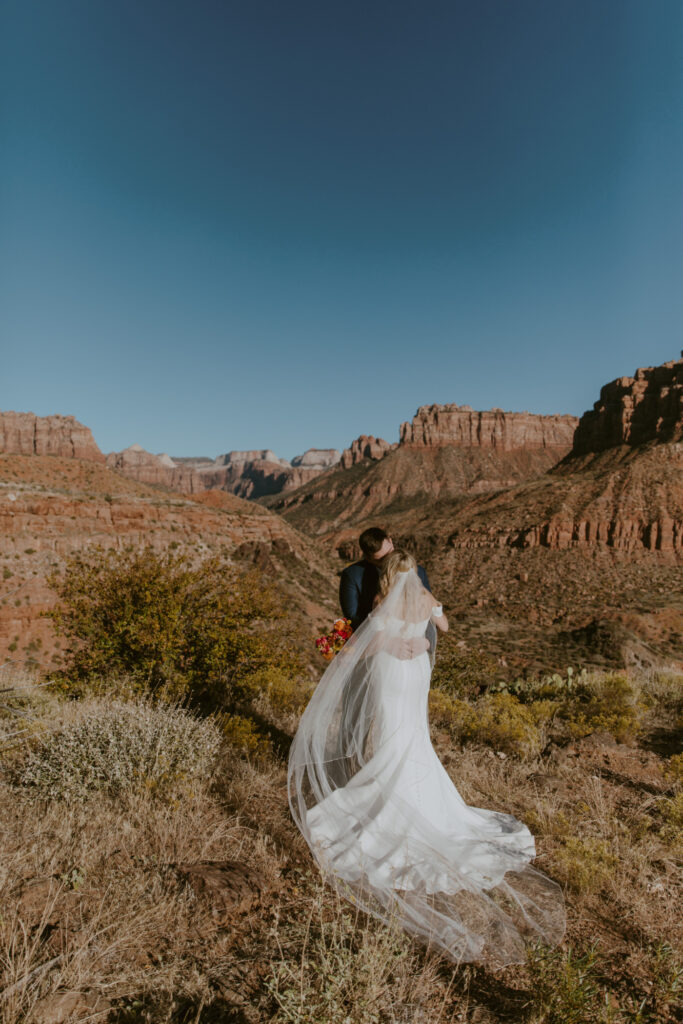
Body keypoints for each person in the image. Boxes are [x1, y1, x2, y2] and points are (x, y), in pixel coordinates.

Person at [288, 550, 566, 968]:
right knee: (413, 736)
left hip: (390, 673)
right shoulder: (425, 599)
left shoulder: (384, 603)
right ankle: (413, 795)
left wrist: (391, 641)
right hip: (415, 673)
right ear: (413, 574)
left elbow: (370, 640)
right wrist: (421, 638)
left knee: (391, 737)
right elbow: (444, 626)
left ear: (389, 574)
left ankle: (387, 796)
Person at [339, 526, 431, 630]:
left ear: (390, 541)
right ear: (368, 558)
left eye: (390, 552)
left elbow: (427, 608)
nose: (390, 560)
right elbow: (353, 617)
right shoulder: (352, 575)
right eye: (382, 560)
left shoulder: (419, 571)